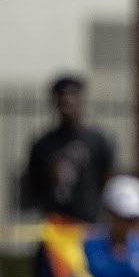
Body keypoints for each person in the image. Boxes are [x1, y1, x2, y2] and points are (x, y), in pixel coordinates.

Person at [25, 74, 114, 225]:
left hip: (89, 223)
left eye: (72, 94)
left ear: (81, 99)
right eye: (62, 94)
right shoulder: (43, 144)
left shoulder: (97, 141)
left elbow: (107, 180)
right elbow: (33, 186)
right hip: (55, 225)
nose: (67, 99)